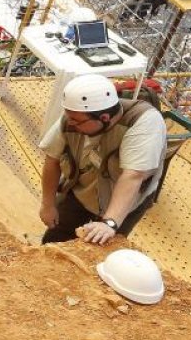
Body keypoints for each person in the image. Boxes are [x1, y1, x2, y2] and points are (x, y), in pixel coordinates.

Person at [38, 74, 167, 245]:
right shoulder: (75, 116)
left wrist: (110, 223)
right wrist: (48, 204)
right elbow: (52, 159)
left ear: (104, 118)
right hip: (82, 191)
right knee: (57, 237)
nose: (71, 123)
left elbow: (133, 175)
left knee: (102, 245)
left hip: (125, 199)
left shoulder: (144, 122)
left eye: (77, 121)